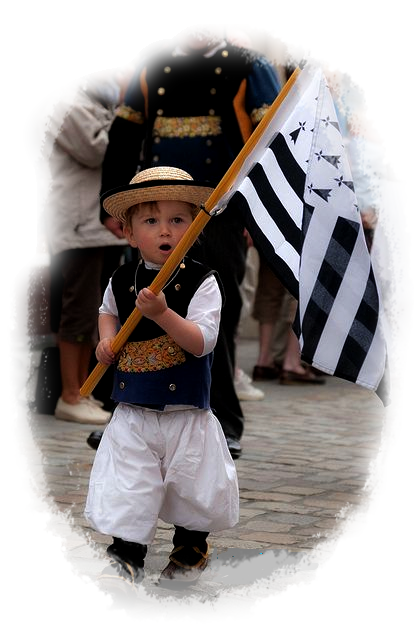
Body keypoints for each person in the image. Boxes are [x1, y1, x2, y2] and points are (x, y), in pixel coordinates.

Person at [97, 28, 281, 457]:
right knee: (138, 307)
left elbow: (269, 144)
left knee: (217, 313)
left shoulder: (249, 64)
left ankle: (222, 418)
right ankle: (125, 410)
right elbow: (123, 135)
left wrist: (259, 213)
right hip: (153, 209)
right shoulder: (152, 59)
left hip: (221, 212)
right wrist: (110, 203)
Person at [84, 166, 239, 587]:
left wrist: (163, 313)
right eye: (151, 221)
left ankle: (190, 545)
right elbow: (107, 312)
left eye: (177, 220)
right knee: (129, 482)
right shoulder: (121, 278)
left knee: (191, 484)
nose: (165, 230)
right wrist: (107, 340)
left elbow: (201, 341)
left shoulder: (203, 282)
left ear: (194, 226)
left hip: (185, 410)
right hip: (133, 408)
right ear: (131, 233)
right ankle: (126, 552)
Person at [45, 72, 129, 424]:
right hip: (77, 224)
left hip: (96, 226)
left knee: (93, 310)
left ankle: (83, 390)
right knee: (77, 309)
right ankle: (69, 394)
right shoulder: (65, 101)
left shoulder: (94, 102)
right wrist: (126, 117)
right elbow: (98, 151)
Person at [251, 255, 325, 384]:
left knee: (269, 286)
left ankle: (263, 362)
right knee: (301, 287)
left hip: (271, 235)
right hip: (302, 237)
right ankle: (292, 363)